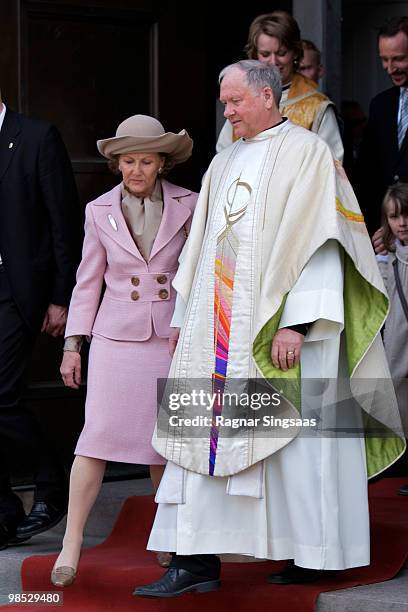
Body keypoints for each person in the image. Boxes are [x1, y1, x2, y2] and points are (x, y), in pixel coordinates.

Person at [133, 61, 405, 598]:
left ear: (265, 96)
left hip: (280, 328)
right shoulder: (225, 158)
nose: (227, 111)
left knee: (302, 448)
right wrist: (185, 319)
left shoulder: (308, 154)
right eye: (224, 103)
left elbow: (324, 243)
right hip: (217, 326)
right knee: (199, 435)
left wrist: (299, 323)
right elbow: (203, 246)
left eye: (234, 102)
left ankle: (313, 554)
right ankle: (193, 561)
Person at [50, 115, 198, 587]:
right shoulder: (98, 210)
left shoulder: (191, 205)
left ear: (162, 163)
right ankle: (71, 543)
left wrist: (190, 324)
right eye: (128, 160)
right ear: (117, 163)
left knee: (165, 445)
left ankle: (168, 541)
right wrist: (74, 345)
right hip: (114, 339)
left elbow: (199, 274)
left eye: (146, 160)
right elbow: (86, 282)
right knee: (95, 439)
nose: (136, 169)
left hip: (169, 339)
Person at [0, 91, 81, 550]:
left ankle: (53, 484)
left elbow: (62, 222)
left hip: (19, 290)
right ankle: (4, 513)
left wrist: (60, 296)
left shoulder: (35, 137)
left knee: (1, 395)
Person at [216, 11, 343, 161]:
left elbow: (331, 165)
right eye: (265, 54)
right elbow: (223, 157)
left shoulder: (316, 106)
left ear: (295, 53)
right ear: (254, 54)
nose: (273, 61)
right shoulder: (240, 98)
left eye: (281, 53)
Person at [355, 16, 408, 237]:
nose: (390, 68)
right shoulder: (380, 105)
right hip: (387, 236)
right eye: (384, 60)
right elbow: (368, 174)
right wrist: (379, 229)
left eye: (398, 59)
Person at [376, 183, 408, 495]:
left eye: (406, 215)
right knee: (400, 406)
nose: (403, 223)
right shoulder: (389, 256)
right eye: (395, 217)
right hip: (397, 344)